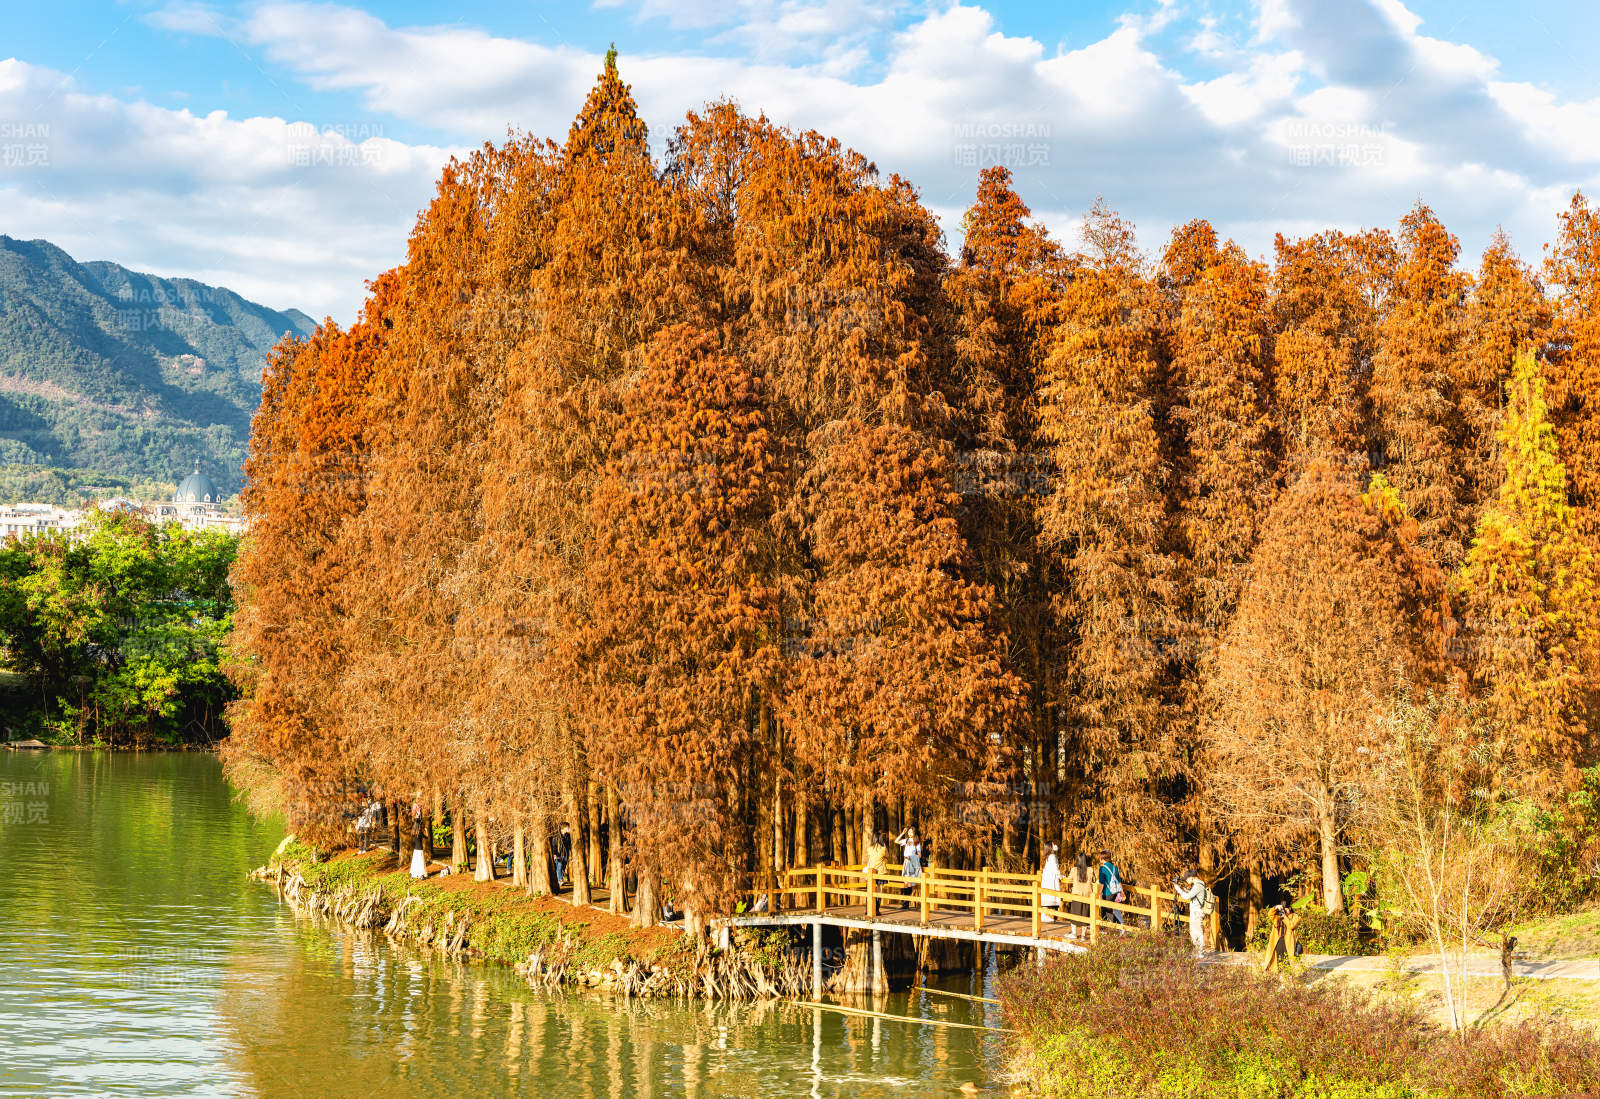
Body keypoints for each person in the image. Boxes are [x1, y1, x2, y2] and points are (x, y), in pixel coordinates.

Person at [1173, 868, 1212, 955]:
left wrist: (1178, 889)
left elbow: (1186, 897)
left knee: (1197, 932)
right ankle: (1198, 952)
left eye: (1187, 879)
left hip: (1197, 912)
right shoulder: (1200, 884)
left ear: (1192, 877)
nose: (1186, 881)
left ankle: (1200, 953)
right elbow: (1193, 895)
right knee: (1194, 931)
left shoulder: (1198, 885)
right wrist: (1185, 890)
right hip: (1197, 911)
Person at [1067, 852, 1094, 939]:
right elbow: (1094, 880)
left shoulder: (1074, 869)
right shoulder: (1090, 870)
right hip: (1087, 894)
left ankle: (1074, 933)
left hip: (1076, 894)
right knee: (1085, 914)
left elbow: (1069, 879)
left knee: (1075, 913)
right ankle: (1083, 935)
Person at [894, 826, 922, 909]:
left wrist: (912, 857)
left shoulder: (917, 842)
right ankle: (905, 903)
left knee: (910, 883)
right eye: (909, 832)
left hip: (912, 863)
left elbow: (919, 855)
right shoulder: (906, 840)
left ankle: (905, 903)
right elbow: (896, 841)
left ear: (914, 833)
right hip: (906, 862)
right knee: (906, 883)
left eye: (911, 832)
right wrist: (903, 833)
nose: (910, 833)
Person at [1097, 850, 1126, 928]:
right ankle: (1106, 928)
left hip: (1107, 892)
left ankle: (1120, 926)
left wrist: (1098, 893)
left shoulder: (1102, 868)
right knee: (1110, 910)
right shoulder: (1114, 867)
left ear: (1102, 858)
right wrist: (1122, 892)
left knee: (1106, 912)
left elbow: (1101, 883)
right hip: (1116, 892)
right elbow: (1119, 881)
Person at [1039, 843, 1062, 923]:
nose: (1055, 845)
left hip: (1046, 879)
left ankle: (1044, 915)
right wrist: (1061, 876)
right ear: (1050, 847)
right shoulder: (1052, 857)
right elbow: (1055, 869)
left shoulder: (1046, 857)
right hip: (1051, 879)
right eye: (1053, 844)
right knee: (1050, 896)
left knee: (1046, 896)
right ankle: (1046, 916)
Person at [408, 798, 428, 879]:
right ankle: (420, 873)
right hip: (418, 836)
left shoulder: (415, 829)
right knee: (419, 853)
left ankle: (415, 872)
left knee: (418, 852)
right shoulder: (417, 826)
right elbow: (425, 836)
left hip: (418, 835)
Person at [551, 823, 572, 891]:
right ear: (564, 828)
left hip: (565, 854)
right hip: (558, 854)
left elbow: (570, 845)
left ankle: (560, 878)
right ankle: (560, 880)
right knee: (559, 866)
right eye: (568, 827)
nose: (569, 829)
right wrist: (554, 854)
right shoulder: (556, 836)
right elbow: (554, 845)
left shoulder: (568, 836)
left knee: (563, 867)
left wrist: (572, 854)